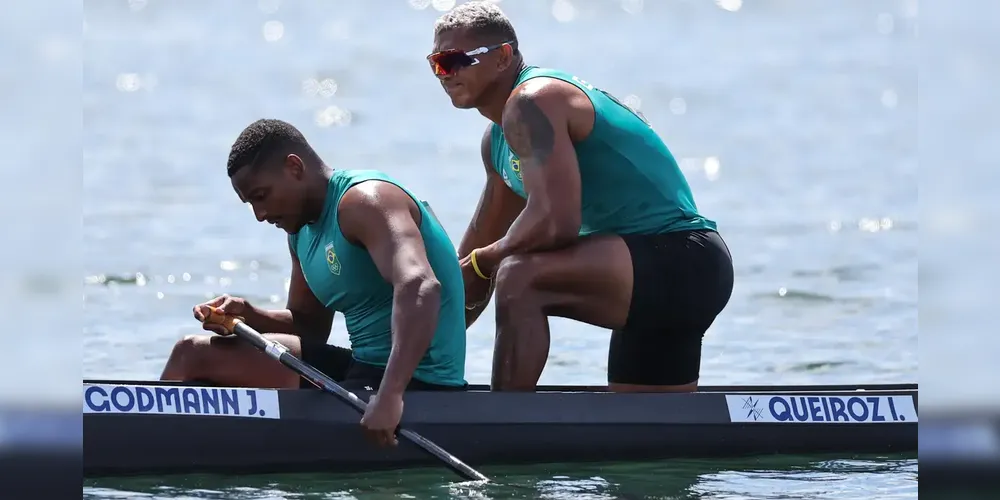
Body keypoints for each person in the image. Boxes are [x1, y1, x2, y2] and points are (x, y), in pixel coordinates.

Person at [427, 2, 735, 393]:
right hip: (642, 275)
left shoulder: (533, 101)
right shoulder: (497, 142)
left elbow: (556, 223)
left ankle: (506, 423)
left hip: (681, 259)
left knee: (519, 277)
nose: (445, 74)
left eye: (456, 60)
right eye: (437, 63)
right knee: (645, 439)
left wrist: (484, 262)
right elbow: (467, 272)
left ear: (503, 56)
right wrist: (405, 363)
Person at [160, 118, 468, 446]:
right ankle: (161, 441)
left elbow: (421, 285)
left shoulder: (365, 202)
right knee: (190, 354)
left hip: (419, 382)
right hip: (362, 369)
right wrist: (248, 315)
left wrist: (390, 396)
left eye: (262, 196)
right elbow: (308, 326)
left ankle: (158, 450)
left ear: (294, 167)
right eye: (251, 204)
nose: (260, 215)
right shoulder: (300, 231)